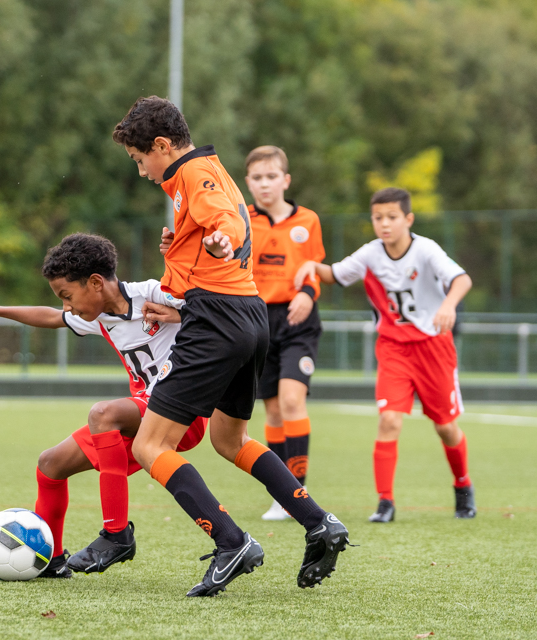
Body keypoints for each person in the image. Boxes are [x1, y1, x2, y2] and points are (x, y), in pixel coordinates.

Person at [114, 95, 349, 598]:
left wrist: (220, 238)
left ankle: (231, 541)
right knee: (229, 440)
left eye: (139, 159)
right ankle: (319, 522)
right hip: (248, 314)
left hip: (218, 320)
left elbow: (228, 222)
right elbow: (215, 231)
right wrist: (183, 249)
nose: (141, 171)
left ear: (161, 146)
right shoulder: (210, 168)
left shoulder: (193, 174)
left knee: (149, 445)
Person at [0, 233, 207, 578]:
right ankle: (52, 560)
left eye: (67, 296)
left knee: (103, 414)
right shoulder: (99, 314)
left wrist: (180, 313)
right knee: (50, 465)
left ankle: (117, 534)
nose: (67, 307)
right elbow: (50, 317)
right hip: (141, 416)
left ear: (96, 283)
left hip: (180, 411)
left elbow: (214, 308)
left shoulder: (153, 294)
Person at [298, 187, 476, 523]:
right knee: (389, 420)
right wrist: (310, 266)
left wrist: (449, 305)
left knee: (446, 427)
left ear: (408, 219)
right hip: (394, 349)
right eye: (378, 217)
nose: (384, 224)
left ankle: (463, 486)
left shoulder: (426, 250)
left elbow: (462, 280)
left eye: (392, 217)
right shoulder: (370, 254)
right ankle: (385, 502)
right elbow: (335, 274)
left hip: (434, 348)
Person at [244, 145, 325, 521]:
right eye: (257, 178)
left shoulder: (308, 220)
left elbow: (314, 267)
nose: (265, 184)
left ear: (286, 180)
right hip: (258, 320)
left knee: (293, 401)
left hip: (297, 320)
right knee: (274, 409)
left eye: (271, 176)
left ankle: (298, 492)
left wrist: (308, 293)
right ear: (248, 182)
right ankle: (282, 494)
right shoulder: (243, 219)